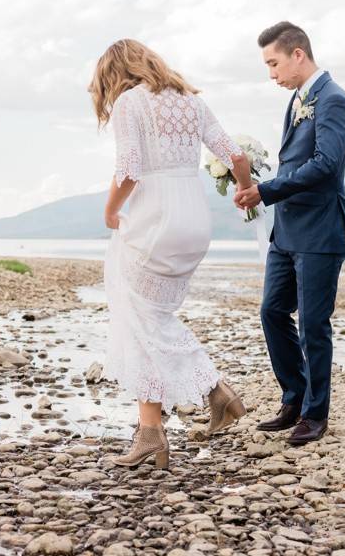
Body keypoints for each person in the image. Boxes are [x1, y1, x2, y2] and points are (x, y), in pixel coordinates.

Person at [89, 39, 252, 469]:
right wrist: (243, 189)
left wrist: (109, 211)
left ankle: (215, 389)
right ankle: (150, 431)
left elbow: (129, 168)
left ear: (116, 75)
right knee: (146, 318)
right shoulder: (191, 102)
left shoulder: (131, 104)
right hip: (195, 221)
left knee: (140, 314)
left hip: (157, 218)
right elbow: (236, 155)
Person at [234, 22, 345, 445]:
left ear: (297, 54)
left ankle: (315, 414)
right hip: (285, 231)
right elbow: (294, 163)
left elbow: (325, 164)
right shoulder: (298, 101)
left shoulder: (333, 99)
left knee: (314, 324)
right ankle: (294, 397)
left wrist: (263, 191)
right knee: (271, 312)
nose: (272, 74)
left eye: (274, 63)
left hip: (320, 231)